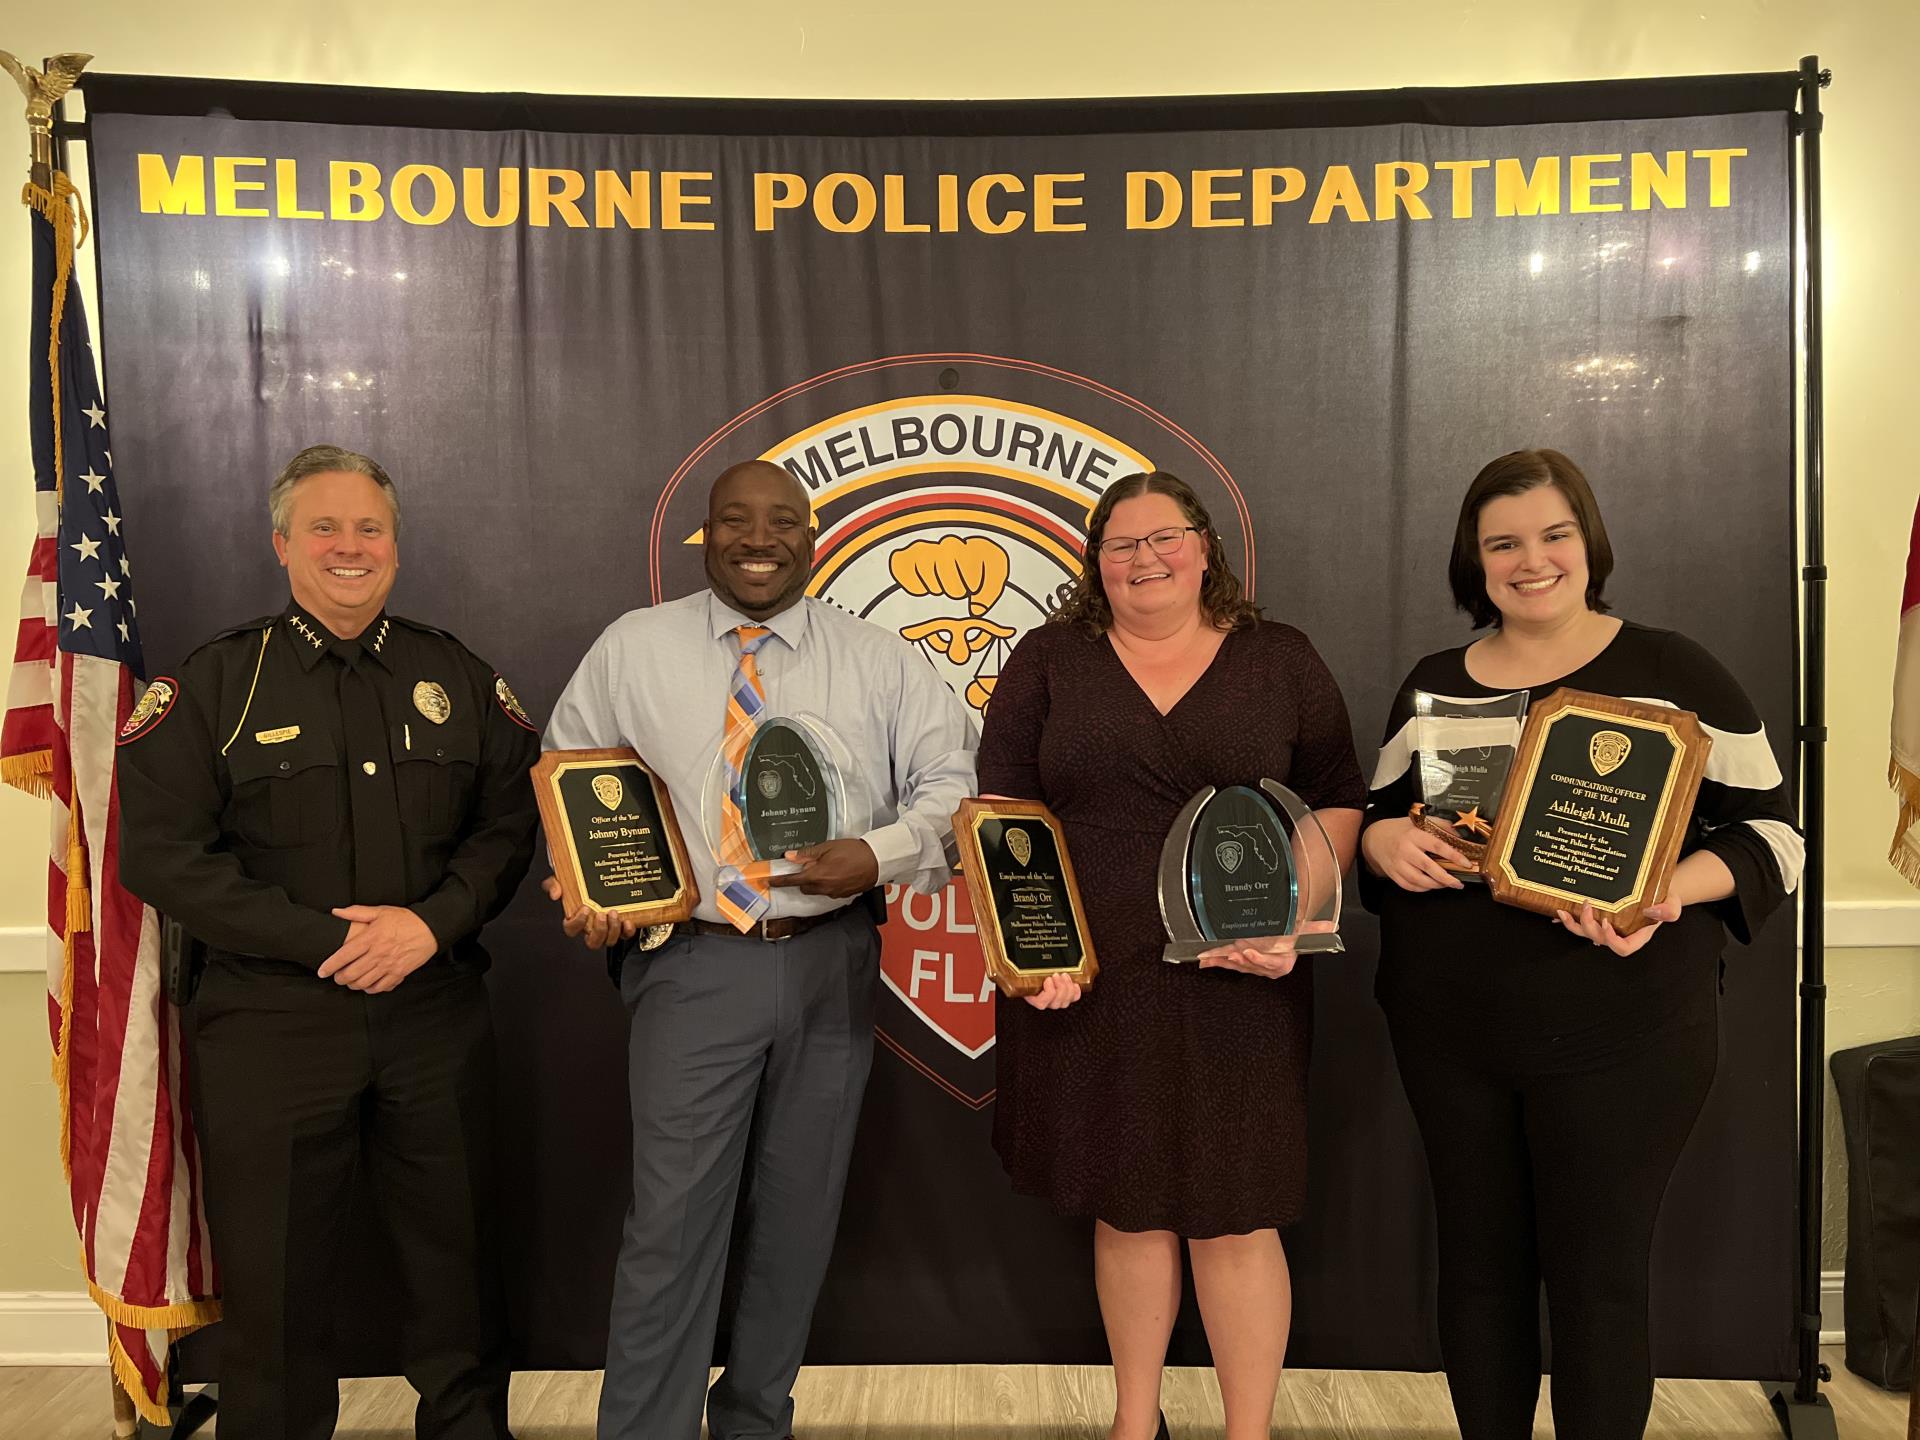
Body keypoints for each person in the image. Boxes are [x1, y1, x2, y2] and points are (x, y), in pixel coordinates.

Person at [1358, 448, 1803, 1440]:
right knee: (1478, 1272)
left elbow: (1775, 835)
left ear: (1589, 541)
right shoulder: (1435, 685)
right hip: (1451, 1034)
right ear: (1474, 562)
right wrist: (1384, 841)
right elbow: (1381, 830)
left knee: (1599, 1282)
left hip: (1624, 1036)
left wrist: (1663, 891)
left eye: (1554, 534)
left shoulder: (1675, 670)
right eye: (1502, 542)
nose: (1531, 561)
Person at [541, 459, 976, 1440]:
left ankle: (754, 1424)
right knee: (671, 1228)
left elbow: (956, 782)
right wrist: (588, 882)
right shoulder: (633, 647)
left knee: (797, 1224)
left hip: (832, 967)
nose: (758, 538)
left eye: (781, 521)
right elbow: (571, 778)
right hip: (693, 965)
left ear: (811, 536)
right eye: (735, 519)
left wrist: (880, 853)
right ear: (705, 532)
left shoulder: (878, 658)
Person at [116, 444, 540, 1440]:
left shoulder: (458, 674)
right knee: (276, 1274)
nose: (349, 547)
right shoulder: (215, 685)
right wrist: (324, 943)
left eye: (369, 529)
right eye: (324, 528)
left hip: (430, 1015)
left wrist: (429, 925)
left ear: (396, 546)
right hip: (270, 1025)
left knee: (457, 1261)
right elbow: (164, 858)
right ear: (281, 544)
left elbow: (511, 824)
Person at [975, 469, 1365, 1440]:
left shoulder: (1281, 659)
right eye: (1121, 543)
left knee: (1238, 1209)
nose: (1144, 558)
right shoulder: (1048, 660)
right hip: (1088, 978)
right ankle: (1133, 1421)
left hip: (1243, 974)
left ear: (1204, 547)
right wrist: (1032, 949)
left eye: (1165, 537)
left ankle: (1248, 1432)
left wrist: (1298, 917)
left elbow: (1338, 800)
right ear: (1095, 562)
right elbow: (1003, 814)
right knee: (1128, 1198)